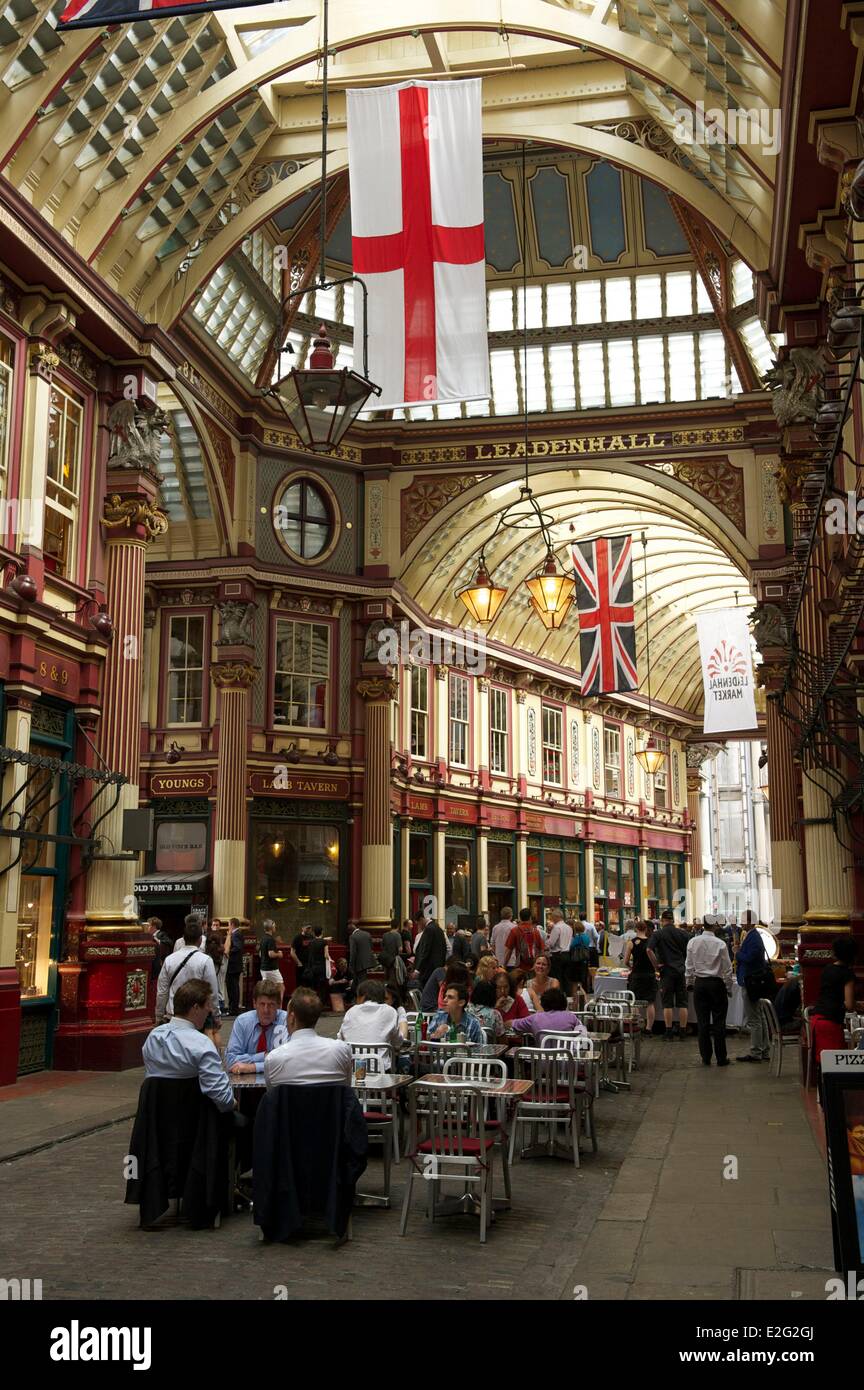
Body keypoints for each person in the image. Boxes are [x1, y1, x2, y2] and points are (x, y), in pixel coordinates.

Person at [142, 978, 234, 1112]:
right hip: (192, 1123)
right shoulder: (201, 1043)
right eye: (208, 1005)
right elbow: (222, 1097)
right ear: (196, 1008)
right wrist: (233, 1103)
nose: (209, 1010)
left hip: (155, 1121)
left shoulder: (153, 1037)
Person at [264, 987, 353, 1087]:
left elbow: (273, 1096)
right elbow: (346, 1090)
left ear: (292, 1018)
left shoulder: (273, 1059)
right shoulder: (341, 1051)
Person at [154, 914, 221, 1026]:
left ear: (183, 939)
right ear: (200, 940)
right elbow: (212, 991)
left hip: (173, 1015)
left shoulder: (169, 960)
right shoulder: (205, 960)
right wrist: (216, 1015)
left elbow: (162, 991)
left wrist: (159, 1015)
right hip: (197, 1016)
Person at [684, 917, 733, 1066]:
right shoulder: (720, 944)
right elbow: (727, 969)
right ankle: (721, 1057)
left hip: (700, 983)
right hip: (716, 984)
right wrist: (728, 987)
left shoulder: (693, 942)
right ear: (714, 926)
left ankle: (705, 1057)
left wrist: (689, 983)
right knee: (719, 1022)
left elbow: (689, 965)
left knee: (702, 1022)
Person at [810, 936, 858, 1070]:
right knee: (835, 1065)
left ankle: (822, 1089)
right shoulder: (847, 974)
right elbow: (849, 1004)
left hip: (817, 1019)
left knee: (823, 1062)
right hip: (830, 1023)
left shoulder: (827, 969)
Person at [225, 979, 288, 1074]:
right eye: (262, 1004)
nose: (266, 1010)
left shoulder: (286, 1021)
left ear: (279, 1005)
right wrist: (264, 1056)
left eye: (271, 1005)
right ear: (254, 1003)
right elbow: (230, 1060)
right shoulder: (242, 1022)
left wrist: (253, 1067)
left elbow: (289, 1062)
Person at [648, 910, 691, 1040]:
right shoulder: (683, 934)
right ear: (673, 920)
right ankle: (683, 1032)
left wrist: (656, 965)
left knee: (667, 1003)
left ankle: (668, 1032)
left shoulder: (658, 934)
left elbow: (649, 949)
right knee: (682, 1002)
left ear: (662, 921)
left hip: (666, 971)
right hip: (680, 970)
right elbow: (690, 950)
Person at [735, 923, 774, 1062]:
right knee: (759, 1016)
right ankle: (764, 1050)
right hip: (752, 980)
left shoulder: (754, 937)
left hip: (751, 982)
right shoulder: (752, 936)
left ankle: (756, 1051)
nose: (741, 923)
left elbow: (749, 958)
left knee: (754, 1018)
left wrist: (737, 952)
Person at [338, 979, 402, 1051]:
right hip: (379, 1061)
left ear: (362, 996)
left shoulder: (351, 1011)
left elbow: (340, 1038)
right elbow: (397, 1042)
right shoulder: (390, 1011)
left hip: (352, 1060)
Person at [511, 988, 588, 1041]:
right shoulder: (572, 1017)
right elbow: (584, 1039)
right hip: (567, 1062)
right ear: (564, 1002)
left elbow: (512, 1024)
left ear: (543, 1003)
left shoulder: (535, 1018)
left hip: (542, 1063)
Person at [623, 919, 658, 1032]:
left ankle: (636, 1026)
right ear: (646, 929)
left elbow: (626, 961)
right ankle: (649, 1028)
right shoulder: (651, 942)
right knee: (650, 1002)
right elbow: (655, 958)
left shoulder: (631, 942)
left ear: (636, 929)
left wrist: (631, 966)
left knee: (635, 1002)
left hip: (636, 974)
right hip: (649, 974)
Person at [414, 916, 447, 986]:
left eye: (418, 924)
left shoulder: (429, 929)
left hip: (428, 970)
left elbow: (425, 951)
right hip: (438, 967)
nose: (419, 927)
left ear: (421, 920)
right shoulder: (439, 928)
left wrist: (417, 970)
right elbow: (445, 948)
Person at [546, 909, 574, 989]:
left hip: (558, 955)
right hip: (567, 954)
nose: (552, 919)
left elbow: (551, 943)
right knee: (566, 978)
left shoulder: (557, 927)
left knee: (557, 978)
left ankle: (558, 996)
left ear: (556, 917)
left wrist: (546, 943)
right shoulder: (569, 928)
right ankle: (568, 997)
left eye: (552, 917)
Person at [225, 916, 244, 1016]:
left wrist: (228, 953)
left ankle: (233, 1009)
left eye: (228, 924)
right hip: (236, 965)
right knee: (233, 986)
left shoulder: (235, 934)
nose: (228, 926)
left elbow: (237, 947)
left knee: (232, 987)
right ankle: (233, 1008)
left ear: (232, 924)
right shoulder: (238, 933)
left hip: (233, 965)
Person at [348, 922, 375, 989]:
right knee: (359, 980)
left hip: (358, 963)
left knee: (361, 983)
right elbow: (371, 947)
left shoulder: (352, 937)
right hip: (368, 962)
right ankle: (354, 995)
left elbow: (353, 953)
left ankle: (362, 997)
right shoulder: (367, 934)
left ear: (350, 931)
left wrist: (351, 965)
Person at [306, 927, 329, 1004]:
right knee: (322, 987)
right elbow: (326, 955)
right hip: (322, 967)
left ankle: (313, 1003)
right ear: (321, 932)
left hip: (313, 967)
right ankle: (321, 1004)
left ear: (314, 933)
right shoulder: (324, 942)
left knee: (314, 986)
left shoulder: (311, 942)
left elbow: (310, 955)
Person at [569, 924, 593, 994]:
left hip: (577, 960)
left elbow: (572, 945)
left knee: (576, 980)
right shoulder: (586, 936)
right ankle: (585, 991)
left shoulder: (578, 937)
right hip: (585, 959)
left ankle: (577, 996)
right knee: (584, 977)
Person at [259, 919, 284, 985]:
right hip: (271, 969)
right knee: (281, 986)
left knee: (266, 988)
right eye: (274, 926)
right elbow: (271, 954)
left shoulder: (263, 938)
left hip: (263, 968)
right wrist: (279, 954)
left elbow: (260, 954)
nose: (275, 928)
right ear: (271, 927)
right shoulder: (270, 939)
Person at [379, 919, 403, 986]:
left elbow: (382, 947)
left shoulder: (385, 935)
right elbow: (400, 949)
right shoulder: (397, 935)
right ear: (398, 926)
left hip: (385, 959)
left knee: (386, 976)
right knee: (393, 977)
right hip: (393, 960)